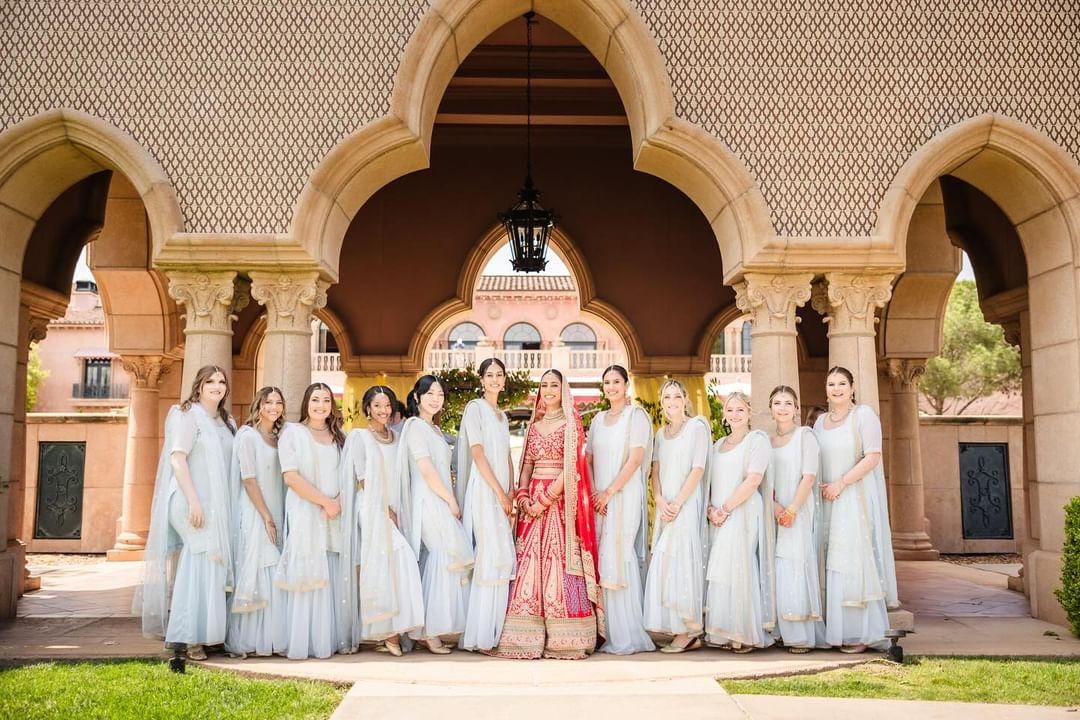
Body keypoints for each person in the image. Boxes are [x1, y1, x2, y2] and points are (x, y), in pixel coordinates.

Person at [494, 368, 604, 659]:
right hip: (532, 505)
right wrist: (523, 494)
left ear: (563, 389)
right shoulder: (534, 426)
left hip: (558, 504)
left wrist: (543, 500)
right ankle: (523, 638)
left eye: (554, 385)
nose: (549, 390)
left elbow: (571, 468)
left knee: (558, 562)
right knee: (528, 564)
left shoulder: (571, 424)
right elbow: (527, 464)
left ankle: (565, 639)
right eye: (544, 385)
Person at [138, 365, 236, 661]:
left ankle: (208, 634)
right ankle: (187, 637)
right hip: (191, 501)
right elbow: (178, 459)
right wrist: (194, 501)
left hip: (218, 505)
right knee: (197, 564)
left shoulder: (226, 421)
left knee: (213, 567)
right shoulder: (187, 415)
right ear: (199, 385)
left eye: (221, 381)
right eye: (210, 381)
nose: (217, 386)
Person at [813, 366, 897, 653]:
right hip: (826, 499)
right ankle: (837, 631)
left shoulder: (864, 416)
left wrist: (842, 483)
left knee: (852, 562)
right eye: (831, 384)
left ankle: (862, 633)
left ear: (852, 387)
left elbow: (872, 457)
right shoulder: (819, 423)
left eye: (841, 384)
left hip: (852, 497)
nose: (836, 389)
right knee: (831, 562)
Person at [274, 383, 355, 659]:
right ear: (306, 402)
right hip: (307, 510)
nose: (320, 405)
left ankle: (328, 639)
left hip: (335, 513)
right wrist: (325, 501)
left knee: (331, 570)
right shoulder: (293, 433)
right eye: (315, 400)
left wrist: (339, 501)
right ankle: (304, 641)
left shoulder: (339, 437)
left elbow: (350, 475)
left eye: (326, 400)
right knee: (309, 570)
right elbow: (291, 476)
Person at [342, 385, 424, 656]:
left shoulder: (397, 437)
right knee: (398, 560)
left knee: (396, 566)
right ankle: (387, 631)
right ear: (368, 408)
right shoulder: (359, 438)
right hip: (373, 508)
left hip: (396, 506)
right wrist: (385, 510)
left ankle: (396, 627)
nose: (383, 410)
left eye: (387, 405)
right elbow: (363, 480)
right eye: (377, 405)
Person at [400, 375, 474, 653]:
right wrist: (451, 500)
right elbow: (427, 470)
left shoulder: (435, 429)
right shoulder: (416, 427)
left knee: (446, 558)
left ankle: (433, 627)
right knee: (444, 555)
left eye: (440, 394)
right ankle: (428, 631)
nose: (435, 398)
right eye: (429, 393)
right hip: (429, 500)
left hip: (440, 497)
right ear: (417, 398)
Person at [586, 365, 655, 655]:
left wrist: (610, 492)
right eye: (607, 382)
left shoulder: (636, 416)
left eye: (616, 381)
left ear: (626, 385)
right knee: (603, 558)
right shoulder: (598, 420)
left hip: (623, 495)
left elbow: (636, 458)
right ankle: (606, 631)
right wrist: (594, 494)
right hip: (599, 499)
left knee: (619, 555)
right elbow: (588, 458)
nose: (611, 386)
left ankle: (627, 633)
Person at [703, 391, 774, 652]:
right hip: (719, 515)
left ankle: (743, 633)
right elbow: (710, 481)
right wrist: (711, 508)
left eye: (740, 410)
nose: (734, 414)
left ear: (749, 413)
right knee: (722, 571)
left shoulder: (757, 440)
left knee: (740, 567)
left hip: (742, 510)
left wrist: (725, 508)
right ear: (724, 415)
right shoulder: (717, 445)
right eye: (730, 410)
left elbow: (754, 479)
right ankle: (723, 631)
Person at [643, 379, 709, 653]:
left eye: (676, 396)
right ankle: (675, 626)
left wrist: (678, 503)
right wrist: (660, 500)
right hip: (666, 506)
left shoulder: (697, 427)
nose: (672, 402)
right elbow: (655, 471)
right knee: (666, 562)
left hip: (685, 504)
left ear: (685, 398)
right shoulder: (660, 435)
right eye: (667, 397)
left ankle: (689, 630)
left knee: (683, 560)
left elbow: (698, 468)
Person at [456, 358, 516, 652]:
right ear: (481, 380)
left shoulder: (503, 416)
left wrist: (513, 490)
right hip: (484, 491)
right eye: (489, 375)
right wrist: (499, 493)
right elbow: (478, 455)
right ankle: (481, 635)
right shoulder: (475, 409)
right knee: (490, 555)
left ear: (504, 380)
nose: (494, 379)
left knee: (503, 555)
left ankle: (497, 630)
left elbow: (505, 455)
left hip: (504, 492)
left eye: (499, 375)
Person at [226, 386, 286, 658]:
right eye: (268, 402)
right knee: (261, 567)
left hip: (276, 507)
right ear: (259, 406)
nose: (274, 407)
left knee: (275, 573)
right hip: (255, 511)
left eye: (278, 402)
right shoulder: (247, 436)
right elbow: (248, 479)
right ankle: (251, 639)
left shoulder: (279, 437)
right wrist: (265, 515)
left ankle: (273, 637)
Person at [767, 385, 825, 653]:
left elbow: (809, 476)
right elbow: (763, 481)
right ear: (771, 409)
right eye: (777, 403)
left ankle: (799, 633)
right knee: (775, 566)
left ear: (796, 408)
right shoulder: (765, 441)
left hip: (798, 511)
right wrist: (776, 507)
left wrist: (791, 509)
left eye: (788, 403)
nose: (782, 408)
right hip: (773, 512)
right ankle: (779, 628)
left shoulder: (805, 436)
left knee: (794, 564)